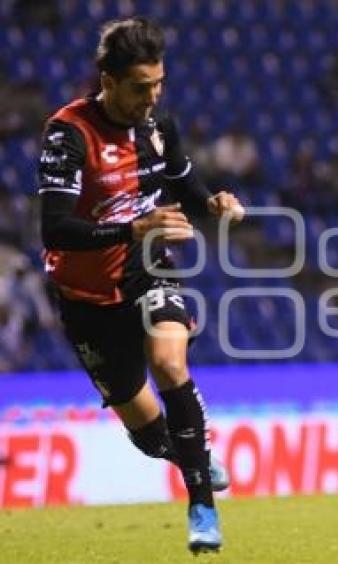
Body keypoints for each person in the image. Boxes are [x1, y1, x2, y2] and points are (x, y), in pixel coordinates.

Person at [37, 18, 245, 553]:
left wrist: (215, 204)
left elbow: (186, 190)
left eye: (158, 84)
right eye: (139, 87)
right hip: (84, 299)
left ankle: (201, 507)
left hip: (147, 267)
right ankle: (188, 452)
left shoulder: (158, 127)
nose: (151, 98)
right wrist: (132, 226)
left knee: (170, 364)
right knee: (150, 434)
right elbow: (55, 228)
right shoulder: (68, 133)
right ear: (107, 80)